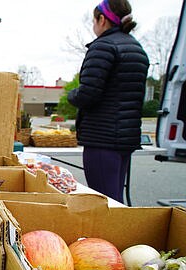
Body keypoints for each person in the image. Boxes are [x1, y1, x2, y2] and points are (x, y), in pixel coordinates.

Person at [67, 0, 149, 203]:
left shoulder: (103, 46)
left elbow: (89, 94)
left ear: (102, 19)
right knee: (115, 198)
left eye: (94, 20)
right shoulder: (136, 48)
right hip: (126, 137)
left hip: (102, 137)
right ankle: (117, 233)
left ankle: (111, 236)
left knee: (104, 202)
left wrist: (72, 95)